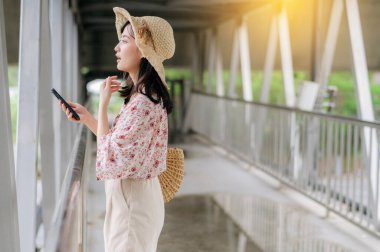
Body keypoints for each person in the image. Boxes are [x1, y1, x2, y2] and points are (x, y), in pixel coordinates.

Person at [59, 7, 175, 252]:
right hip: (134, 196)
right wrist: (88, 117)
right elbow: (117, 144)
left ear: (143, 51)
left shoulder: (143, 103)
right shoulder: (142, 98)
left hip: (132, 202)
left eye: (123, 41)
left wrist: (101, 107)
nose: (116, 48)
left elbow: (109, 155)